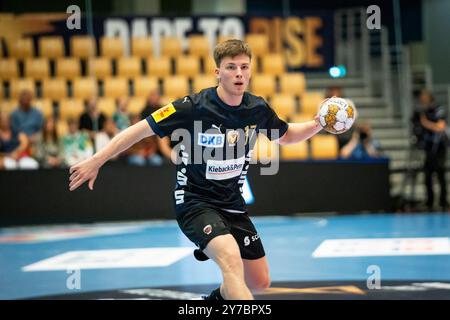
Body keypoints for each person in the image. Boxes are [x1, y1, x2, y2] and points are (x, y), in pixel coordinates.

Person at [68, 40, 323, 300]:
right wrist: (97, 159)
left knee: (259, 281)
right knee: (231, 262)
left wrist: (318, 123)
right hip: (195, 202)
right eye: (231, 67)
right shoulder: (192, 107)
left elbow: (287, 135)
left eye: (244, 67)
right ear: (217, 73)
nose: (239, 73)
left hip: (232, 205)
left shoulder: (256, 108)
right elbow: (139, 130)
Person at [412, 89, 448, 211]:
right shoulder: (422, 111)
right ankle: (429, 202)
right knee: (427, 176)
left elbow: (440, 127)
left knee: (440, 174)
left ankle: (443, 202)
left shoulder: (438, 110)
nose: (423, 101)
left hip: (439, 148)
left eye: (425, 98)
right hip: (428, 148)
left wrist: (425, 122)